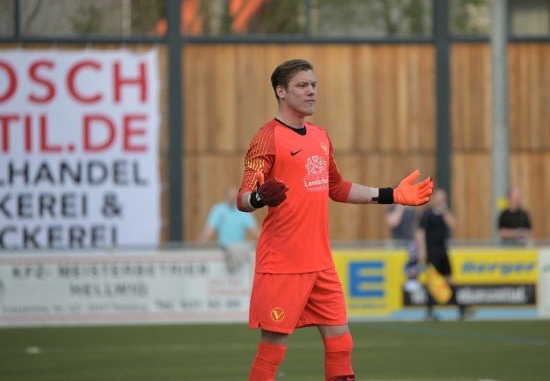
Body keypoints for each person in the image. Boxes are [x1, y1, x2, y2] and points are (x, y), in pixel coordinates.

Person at [236, 59, 434, 381]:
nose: (312, 91)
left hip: (321, 263)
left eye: (314, 85)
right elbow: (243, 198)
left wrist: (391, 195)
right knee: (273, 349)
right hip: (283, 263)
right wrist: (259, 198)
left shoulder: (320, 136)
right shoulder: (267, 137)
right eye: (303, 85)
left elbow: (337, 188)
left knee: (341, 343)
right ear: (281, 91)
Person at [415, 188, 466, 321]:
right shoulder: (427, 214)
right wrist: (422, 252)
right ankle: (430, 311)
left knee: (450, 280)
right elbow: (420, 234)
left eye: (443, 199)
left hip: (443, 252)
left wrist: (445, 212)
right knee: (431, 283)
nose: (441, 202)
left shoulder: (444, 214)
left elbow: (453, 225)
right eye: (439, 199)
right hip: (432, 253)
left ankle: (460, 308)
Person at [198, 186, 260, 272]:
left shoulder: (243, 210)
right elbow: (210, 229)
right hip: (222, 251)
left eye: (234, 196)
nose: (232, 198)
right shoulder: (218, 210)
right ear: (225, 196)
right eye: (229, 196)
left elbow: (254, 230)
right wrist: (200, 243)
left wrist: (264, 242)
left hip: (239, 251)